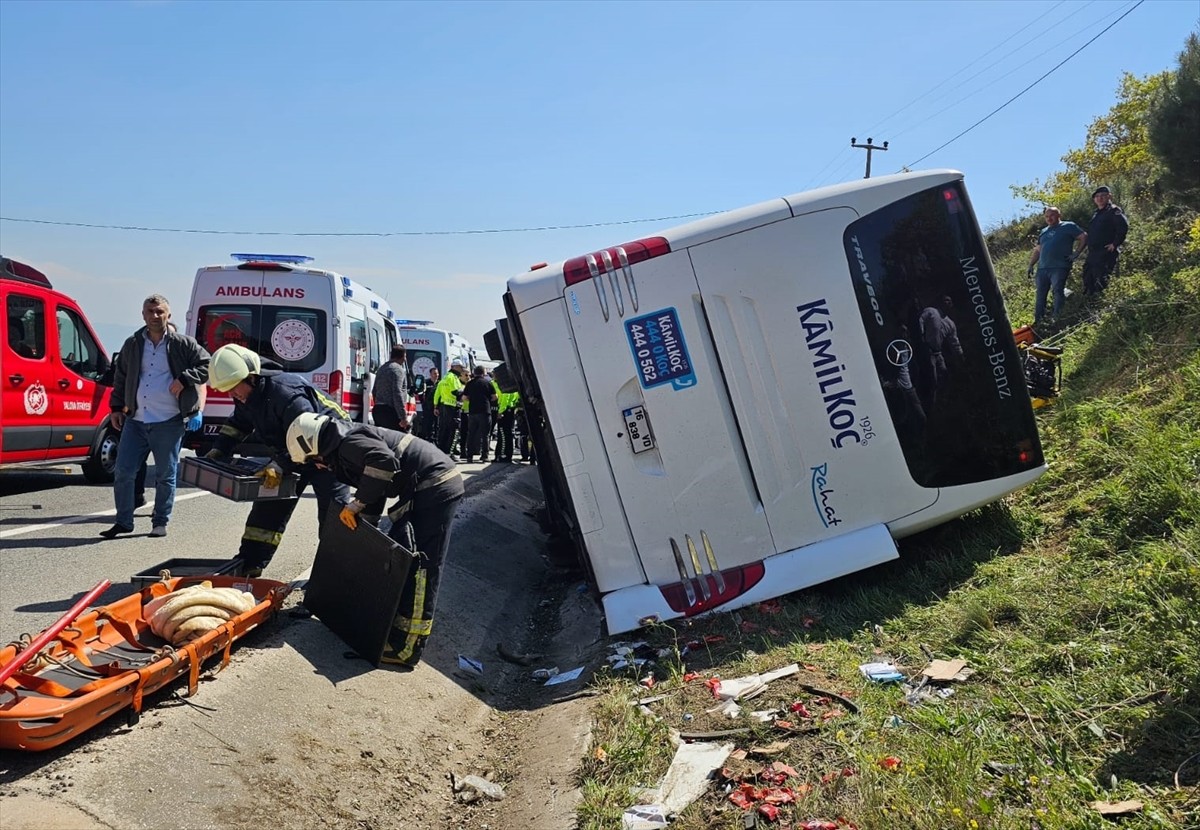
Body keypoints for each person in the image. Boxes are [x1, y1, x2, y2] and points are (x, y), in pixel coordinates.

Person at [286, 412, 464, 669]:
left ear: (316, 451)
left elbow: (383, 462)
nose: (316, 467)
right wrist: (362, 528)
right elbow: (376, 484)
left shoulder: (348, 443)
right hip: (429, 485)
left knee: (422, 566)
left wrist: (356, 504)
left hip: (435, 485)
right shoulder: (346, 441)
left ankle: (406, 649)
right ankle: (397, 630)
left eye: (312, 461)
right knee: (406, 556)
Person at [206, 343, 352, 575]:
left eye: (233, 388)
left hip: (330, 452)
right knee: (268, 509)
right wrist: (219, 450)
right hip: (293, 451)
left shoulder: (286, 394)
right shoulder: (248, 395)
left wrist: (279, 464)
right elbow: (238, 424)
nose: (230, 394)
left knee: (335, 518)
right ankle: (250, 564)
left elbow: (307, 440)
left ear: (251, 377)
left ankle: (331, 581)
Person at [101, 295, 209, 539]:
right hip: (136, 419)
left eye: (160, 311)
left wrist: (185, 379)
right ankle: (123, 521)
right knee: (124, 471)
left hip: (168, 421)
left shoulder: (183, 344)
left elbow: (208, 364)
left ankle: (160, 521)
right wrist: (117, 407)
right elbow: (121, 376)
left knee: (165, 474)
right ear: (143, 315)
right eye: (150, 311)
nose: (155, 315)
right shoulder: (133, 343)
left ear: (168, 315)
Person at [134, 323, 206, 508]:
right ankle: (136, 496)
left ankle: (160, 509)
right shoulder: (143, 351)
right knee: (137, 462)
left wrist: (198, 411)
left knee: (165, 468)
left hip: (173, 419)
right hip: (143, 418)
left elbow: (200, 386)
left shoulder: (182, 355)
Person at [1026, 206, 1087, 328]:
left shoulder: (1068, 226)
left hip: (1059, 266)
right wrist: (1031, 264)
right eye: (1047, 216)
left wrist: (1076, 253)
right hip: (1043, 268)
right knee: (1041, 294)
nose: (1049, 218)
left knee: (1057, 291)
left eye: (1052, 215)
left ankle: (1056, 319)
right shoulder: (1044, 231)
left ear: (1059, 215)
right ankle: (1039, 321)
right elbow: (1038, 250)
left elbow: (1083, 236)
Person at [1081, 185, 1129, 296]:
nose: (1100, 198)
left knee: (1102, 278)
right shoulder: (1096, 214)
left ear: (1109, 196)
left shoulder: (1113, 211)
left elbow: (1123, 227)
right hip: (1093, 253)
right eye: (1097, 196)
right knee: (1088, 277)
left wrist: (1115, 244)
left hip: (1105, 251)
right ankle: (1089, 302)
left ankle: (1100, 304)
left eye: (1103, 195)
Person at [461, 365, 496, 463]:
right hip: (485, 411)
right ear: (483, 373)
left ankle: (469, 456)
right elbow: (495, 396)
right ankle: (484, 456)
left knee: (471, 434)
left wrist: (471, 399)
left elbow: (464, 398)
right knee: (485, 434)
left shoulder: (470, 383)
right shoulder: (487, 383)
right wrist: (488, 400)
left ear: (475, 373)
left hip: (472, 412)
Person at [371, 345, 410, 431]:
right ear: (402, 356)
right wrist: (403, 417)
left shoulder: (381, 369)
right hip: (392, 412)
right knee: (397, 441)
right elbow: (397, 393)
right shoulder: (398, 370)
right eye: (405, 356)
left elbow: (374, 391)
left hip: (378, 411)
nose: (405, 359)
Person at [433, 361, 466, 456]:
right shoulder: (453, 377)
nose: (462, 369)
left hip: (444, 406)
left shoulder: (445, 377)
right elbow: (456, 392)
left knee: (443, 429)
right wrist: (465, 391)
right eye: (460, 367)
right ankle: (450, 452)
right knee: (454, 430)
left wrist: (436, 406)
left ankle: (442, 450)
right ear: (455, 367)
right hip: (453, 407)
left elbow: (437, 393)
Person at [417, 367, 440, 440]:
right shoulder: (426, 383)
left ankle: (436, 438)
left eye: (437, 373)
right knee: (427, 423)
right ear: (430, 374)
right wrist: (423, 402)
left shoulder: (440, 383)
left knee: (437, 424)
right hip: (427, 407)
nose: (436, 375)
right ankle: (427, 437)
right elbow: (420, 393)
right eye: (434, 373)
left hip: (437, 407)